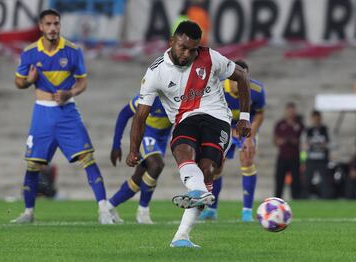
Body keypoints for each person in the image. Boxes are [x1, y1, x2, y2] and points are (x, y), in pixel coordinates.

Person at [125, 21, 251, 248]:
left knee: (208, 170)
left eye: (193, 49)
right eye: (183, 47)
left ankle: (182, 234)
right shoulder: (156, 72)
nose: (187, 54)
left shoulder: (210, 57)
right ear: (171, 42)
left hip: (217, 118)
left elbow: (242, 76)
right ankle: (197, 199)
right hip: (185, 119)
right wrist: (134, 149)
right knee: (183, 151)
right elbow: (140, 116)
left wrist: (244, 117)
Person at [12, 9, 114, 224]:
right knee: (33, 164)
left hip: (67, 112)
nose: (52, 28)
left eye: (56, 24)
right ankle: (28, 212)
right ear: (41, 26)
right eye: (48, 24)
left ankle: (104, 209)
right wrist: (30, 80)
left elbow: (82, 82)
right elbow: (19, 83)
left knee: (88, 158)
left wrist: (71, 93)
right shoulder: (30, 53)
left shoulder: (72, 51)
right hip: (42, 112)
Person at [199, 60, 266, 222]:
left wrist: (249, 137)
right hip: (223, 125)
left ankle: (247, 212)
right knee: (216, 167)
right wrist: (230, 130)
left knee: (247, 159)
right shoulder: (219, 88)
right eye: (238, 79)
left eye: (244, 79)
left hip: (246, 127)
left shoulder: (256, 90)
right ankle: (212, 210)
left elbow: (259, 113)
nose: (241, 82)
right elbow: (211, 113)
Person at [106, 94, 172, 224]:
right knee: (156, 165)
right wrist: (116, 145)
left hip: (162, 139)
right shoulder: (151, 95)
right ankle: (143, 211)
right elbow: (124, 114)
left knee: (138, 179)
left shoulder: (180, 95)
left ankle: (108, 207)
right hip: (145, 134)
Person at [274, 102, 304, 199]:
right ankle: (278, 199)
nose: (291, 113)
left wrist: (293, 141)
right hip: (282, 157)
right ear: (286, 111)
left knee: (295, 181)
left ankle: (296, 198)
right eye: (289, 111)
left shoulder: (299, 125)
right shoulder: (280, 124)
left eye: (292, 111)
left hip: (295, 157)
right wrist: (282, 141)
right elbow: (275, 140)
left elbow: (303, 140)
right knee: (279, 180)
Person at [303, 110, 332, 198]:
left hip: (322, 159)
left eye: (317, 118)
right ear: (312, 119)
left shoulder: (325, 129)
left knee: (324, 180)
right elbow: (304, 145)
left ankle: (326, 197)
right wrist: (303, 159)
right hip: (311, 158)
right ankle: (304, 197)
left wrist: (325, 146)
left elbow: (331, 143)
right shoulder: (308, 130)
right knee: (307, 179)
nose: (316, 120)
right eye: (314, 118)